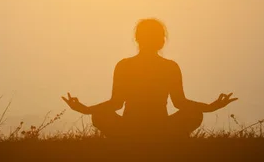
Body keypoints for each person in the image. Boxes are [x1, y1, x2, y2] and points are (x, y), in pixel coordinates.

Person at [62, 18, 238, 139]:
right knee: (194, 114)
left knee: (100, 116)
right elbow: (180, 103)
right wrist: (210, 107)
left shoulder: (124, 65)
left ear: (137, 39)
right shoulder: (170, 66)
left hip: (130, 129)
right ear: (161, 41)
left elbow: (115, 103)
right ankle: (163, 141)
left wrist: (86, 110)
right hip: (161, 128)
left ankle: (127, 140)